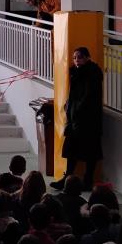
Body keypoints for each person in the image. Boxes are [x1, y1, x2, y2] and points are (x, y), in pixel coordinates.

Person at [51, 47, 103, 191]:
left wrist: (76, 109)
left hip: (89, 120)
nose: (76, 60)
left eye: (79, 57)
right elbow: (74, 94)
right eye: (74, 58)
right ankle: (67, 178)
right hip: (75, 118)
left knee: (90, 151)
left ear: (87, 57)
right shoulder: (75, 72)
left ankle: (87, 180)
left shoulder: (93, 73)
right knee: (71, 149)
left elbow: (88, 96)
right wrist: (69, 106)